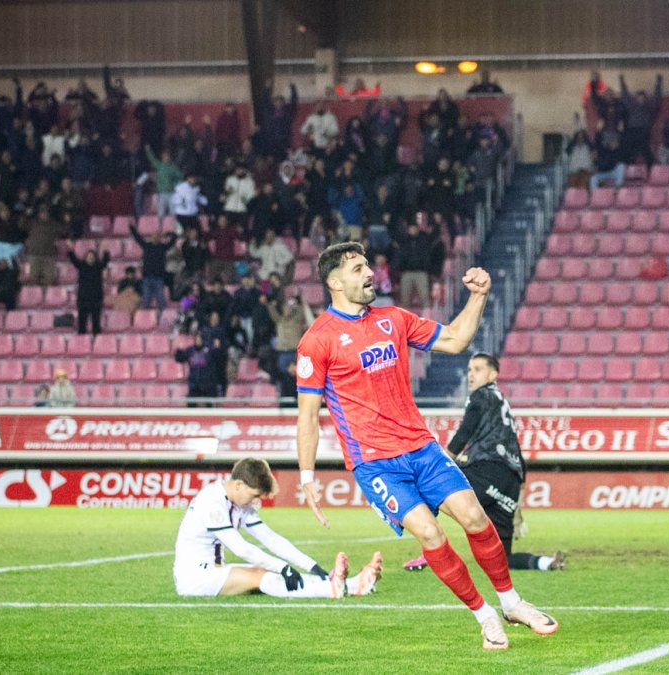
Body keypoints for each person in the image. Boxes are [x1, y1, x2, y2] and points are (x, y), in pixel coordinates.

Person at [295, 242, 557, 650]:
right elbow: (308, 415)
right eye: (359, 268)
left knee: (474, 517)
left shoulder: (393, 319)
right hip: (376, 464)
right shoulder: (317, 341)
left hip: (422, 448)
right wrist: (308, 476)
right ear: (334, 282)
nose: (370, 274)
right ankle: (484, 615)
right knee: (430, 533)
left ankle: (511, 602)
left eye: (369, 266)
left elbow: (454, 339)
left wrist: (479, 295)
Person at [403, 354, 565, 574]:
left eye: (477, 369)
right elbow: (513, 442)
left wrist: (444, 461)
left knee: (432, 486)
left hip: (487, 470)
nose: (471, 375)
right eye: (470, 370)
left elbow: (464, 432)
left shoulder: (481, 396)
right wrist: (520, 484)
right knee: (502, 557)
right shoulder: (501, 401)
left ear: (492, 375)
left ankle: (431, 551)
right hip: (509, 481)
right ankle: (545, 562)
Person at [175, 457, 382, 598]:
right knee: (260, 576)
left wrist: (312, 566)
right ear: (239, 485)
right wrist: (283, 567)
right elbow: (242, 549)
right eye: (255, 495)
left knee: (266, 573)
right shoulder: (212, 502)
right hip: (194, 579)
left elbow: (270, 538)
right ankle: (332, 590)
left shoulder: (237, 502)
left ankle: (354, 585)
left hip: (212, 572)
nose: (255, 502)